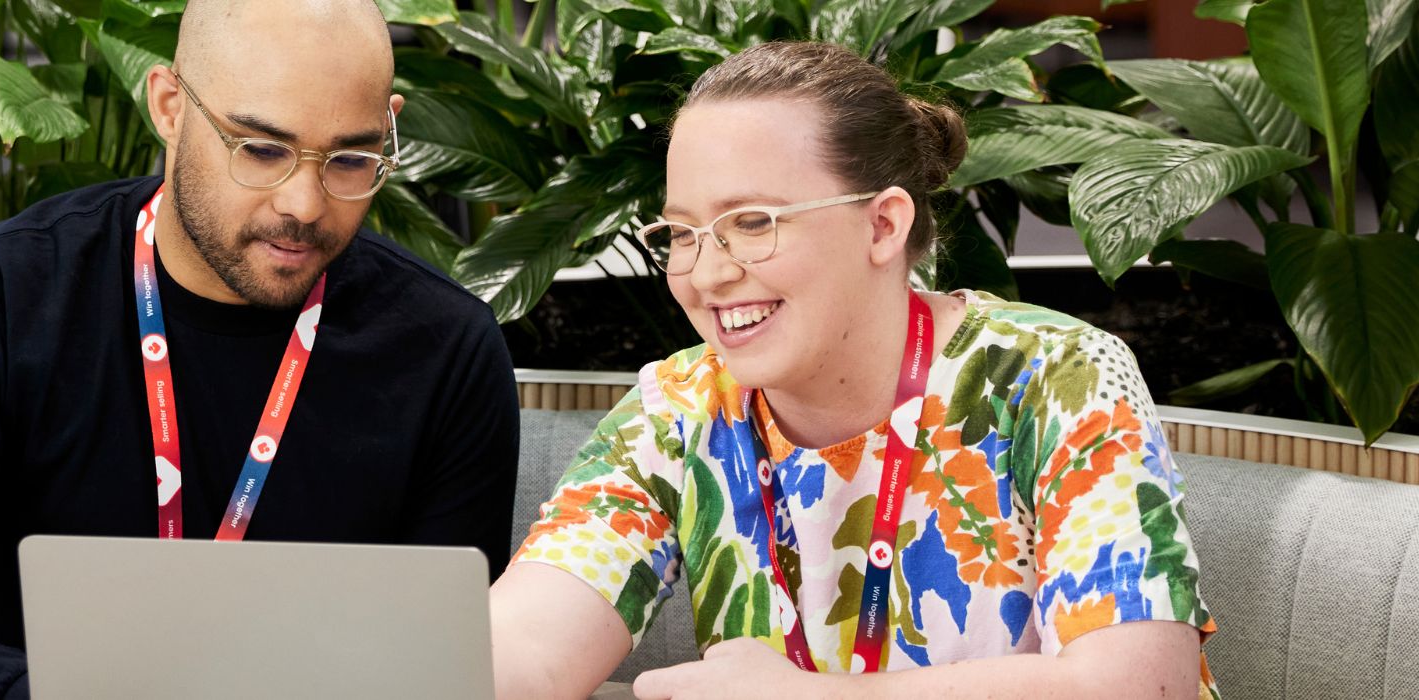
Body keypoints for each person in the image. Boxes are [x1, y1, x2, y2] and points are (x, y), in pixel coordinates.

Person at [0, 1, 521, 697]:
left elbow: (441, 660)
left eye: (350, 158)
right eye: (263, 149)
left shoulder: (445, 354)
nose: (304, 203)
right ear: (171, 106)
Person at [488, 42, 1217, 700]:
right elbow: (526, 647)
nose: (706, 273)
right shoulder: (677, 411)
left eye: (753, 223)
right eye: (683, 233)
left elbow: (1139, 684)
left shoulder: (1054, 375)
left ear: (883, 225)